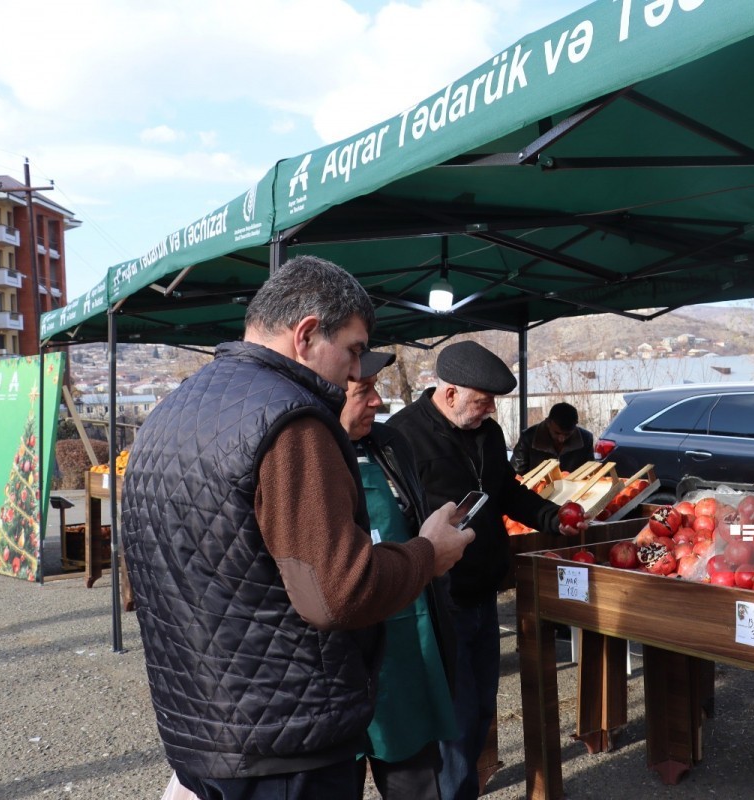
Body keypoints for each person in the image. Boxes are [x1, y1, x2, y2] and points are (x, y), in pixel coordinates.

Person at [121, 256, 473, 800]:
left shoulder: (170, 412)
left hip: (198, 727)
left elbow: (144, 573)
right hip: (286, 742)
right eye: (354, 350)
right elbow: (339, 593)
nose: (356, 373)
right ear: (307, 333)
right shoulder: (293, 420)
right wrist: (429, 551)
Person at [383, 340, 586, 800]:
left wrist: (552, 518)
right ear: (450, 393)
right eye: (482, 400)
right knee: (453, 719)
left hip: (483, 596)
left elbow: (505, 492)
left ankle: (464, 790)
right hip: (438, 600)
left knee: (479, 713)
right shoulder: (401, 437)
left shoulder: (488, 434)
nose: (489, 409)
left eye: (492, 401)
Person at [341, 352, 458, 800]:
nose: (377, 401)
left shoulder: (388, 445)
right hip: (339, 653)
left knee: (416, 780)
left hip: (406, 640)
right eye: (363, 391)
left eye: (377, 388)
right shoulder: (302, 456)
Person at [510, 401, 594, 475]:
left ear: (575, 425)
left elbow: (591, 473)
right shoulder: (528, 437)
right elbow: (515, 474)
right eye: (557, 433)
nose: (562, 439)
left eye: (567, 434)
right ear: (548, 422)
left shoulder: (586, 439)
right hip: (535, 491)